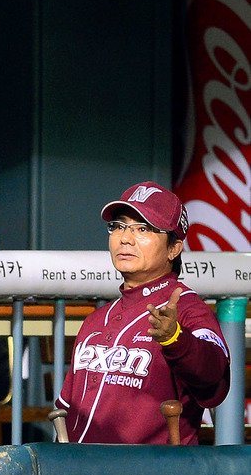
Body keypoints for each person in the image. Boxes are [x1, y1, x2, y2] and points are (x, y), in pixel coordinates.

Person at [56, 181, 230, 445]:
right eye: (119, 226)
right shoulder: (96, 320)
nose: (125, 238)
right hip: (79, 467)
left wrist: (176, 339)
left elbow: (214, 375)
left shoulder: (188, 309)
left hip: (152, 469)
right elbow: (66, 410)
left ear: (174, 248)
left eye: (143, 229)